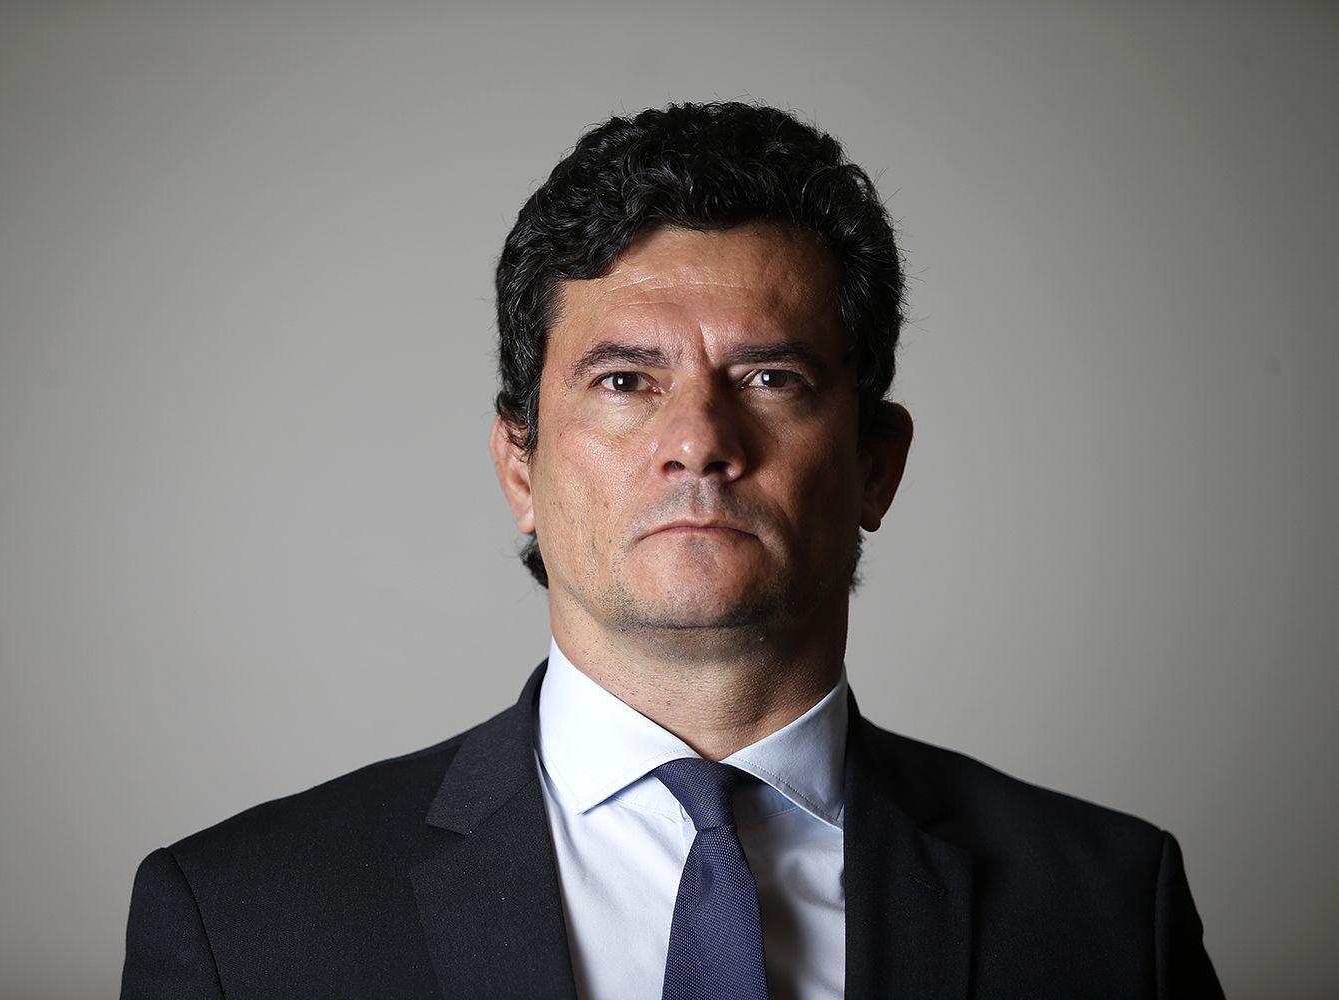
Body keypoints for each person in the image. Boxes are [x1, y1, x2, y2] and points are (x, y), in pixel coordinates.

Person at [119, 102, 1224, 999]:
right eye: (624, 381)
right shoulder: (240, 921)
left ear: (876, 464)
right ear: (520, 468)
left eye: (771, 378)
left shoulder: (1108, 911)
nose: (698, 440)